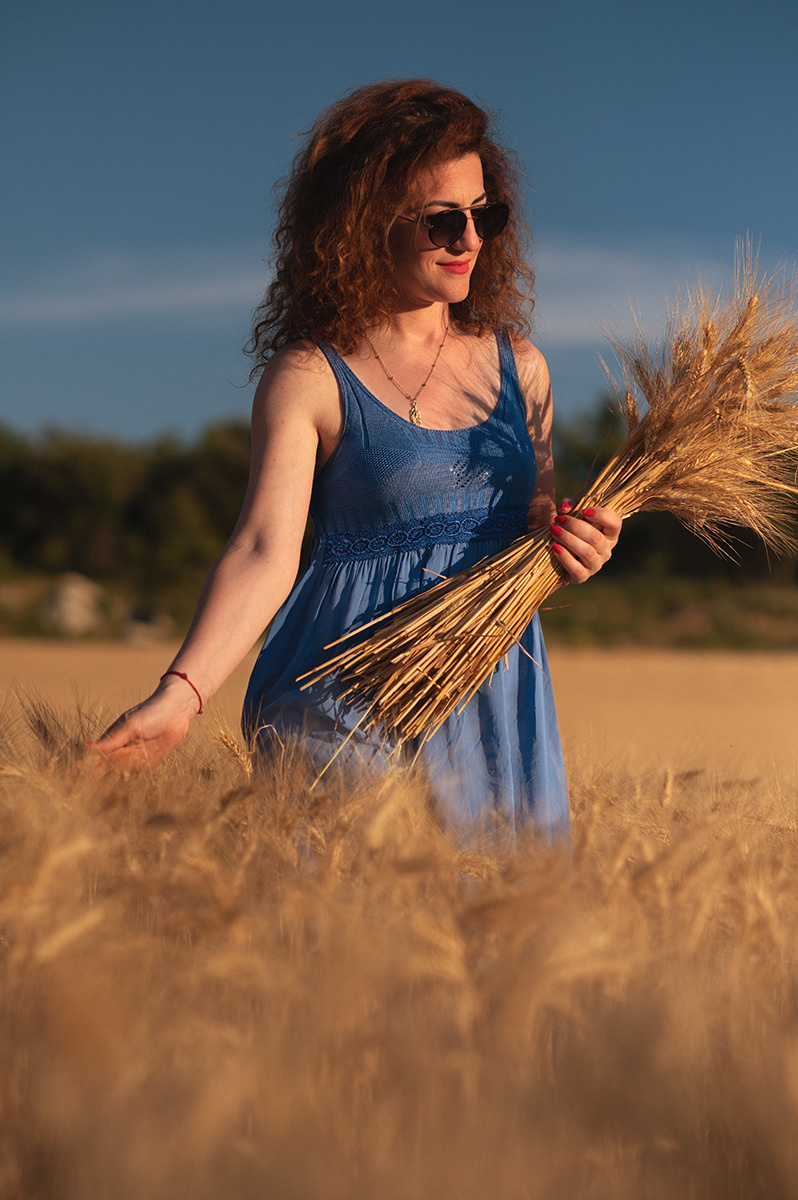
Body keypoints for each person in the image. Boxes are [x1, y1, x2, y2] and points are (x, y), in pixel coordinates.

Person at [92, 79, 621, 837]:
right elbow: (263, 548)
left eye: (484, 215)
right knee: (351, 938)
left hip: (493, 697)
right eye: (443, 221)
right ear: (366, 224)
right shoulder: (311, 375)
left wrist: (579, 546)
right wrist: (181, 694)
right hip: (347, 699)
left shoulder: (522, 369)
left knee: (506, 940)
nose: (470, 240)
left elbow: (537, 526)